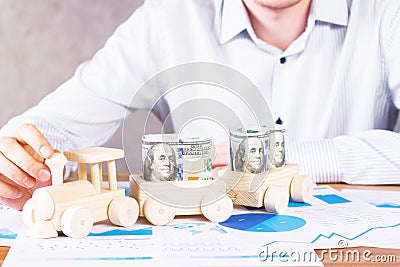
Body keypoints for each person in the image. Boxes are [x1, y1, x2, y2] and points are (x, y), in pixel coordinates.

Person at [1, 0, 400, 210]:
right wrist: (16, 154)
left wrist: (278, 159)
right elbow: (59, 121)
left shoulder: (385, 11)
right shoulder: (169, 17)